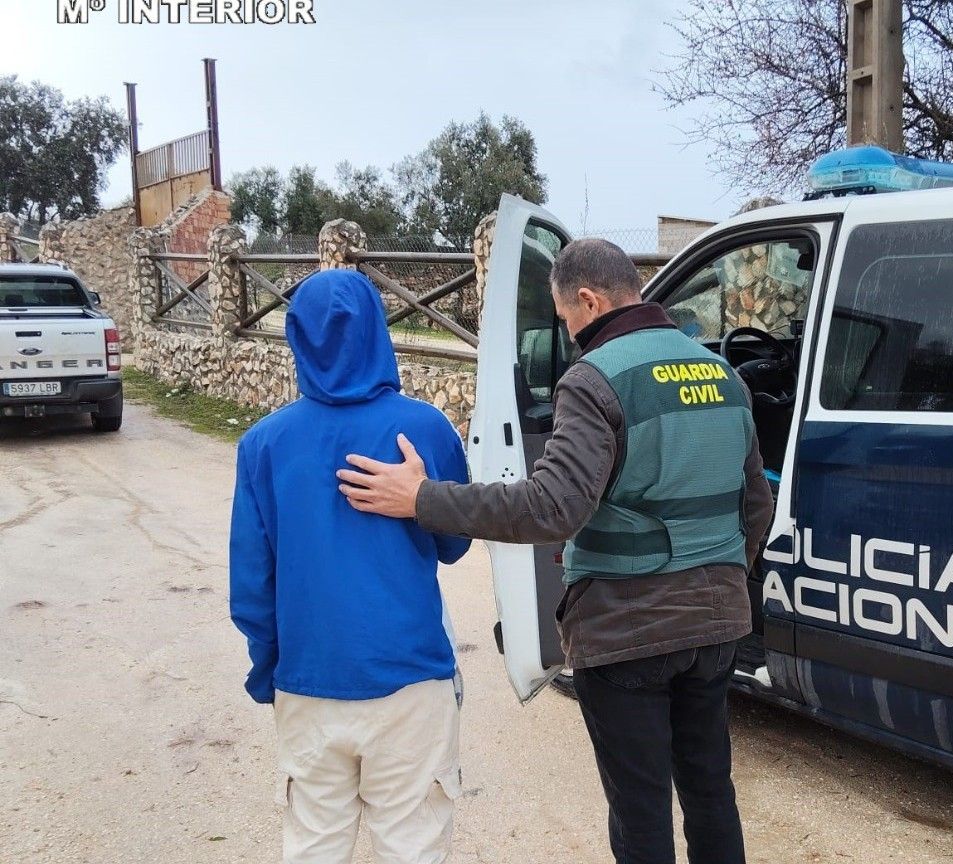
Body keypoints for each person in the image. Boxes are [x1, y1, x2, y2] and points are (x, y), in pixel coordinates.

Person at [336, 238, 774, 864]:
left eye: (567, 318)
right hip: (715, 629)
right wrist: (721, 577)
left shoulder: (594, 380)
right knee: (709, 790)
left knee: (641, 808)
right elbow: (755, 504)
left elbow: (551, 507)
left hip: (628, 635)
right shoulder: (723, 375)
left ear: (590, 300)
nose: (569, 333)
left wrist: (424, 499)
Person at [229, 269, 471, 864]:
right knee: (412, 847)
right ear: (378, 331)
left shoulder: (263, 444)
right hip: (410, 682)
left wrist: (272, 669)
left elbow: (252, 590)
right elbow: (456, 545)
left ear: (296, 339)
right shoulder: (425, 428)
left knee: (313, 847)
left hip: (308, 682)